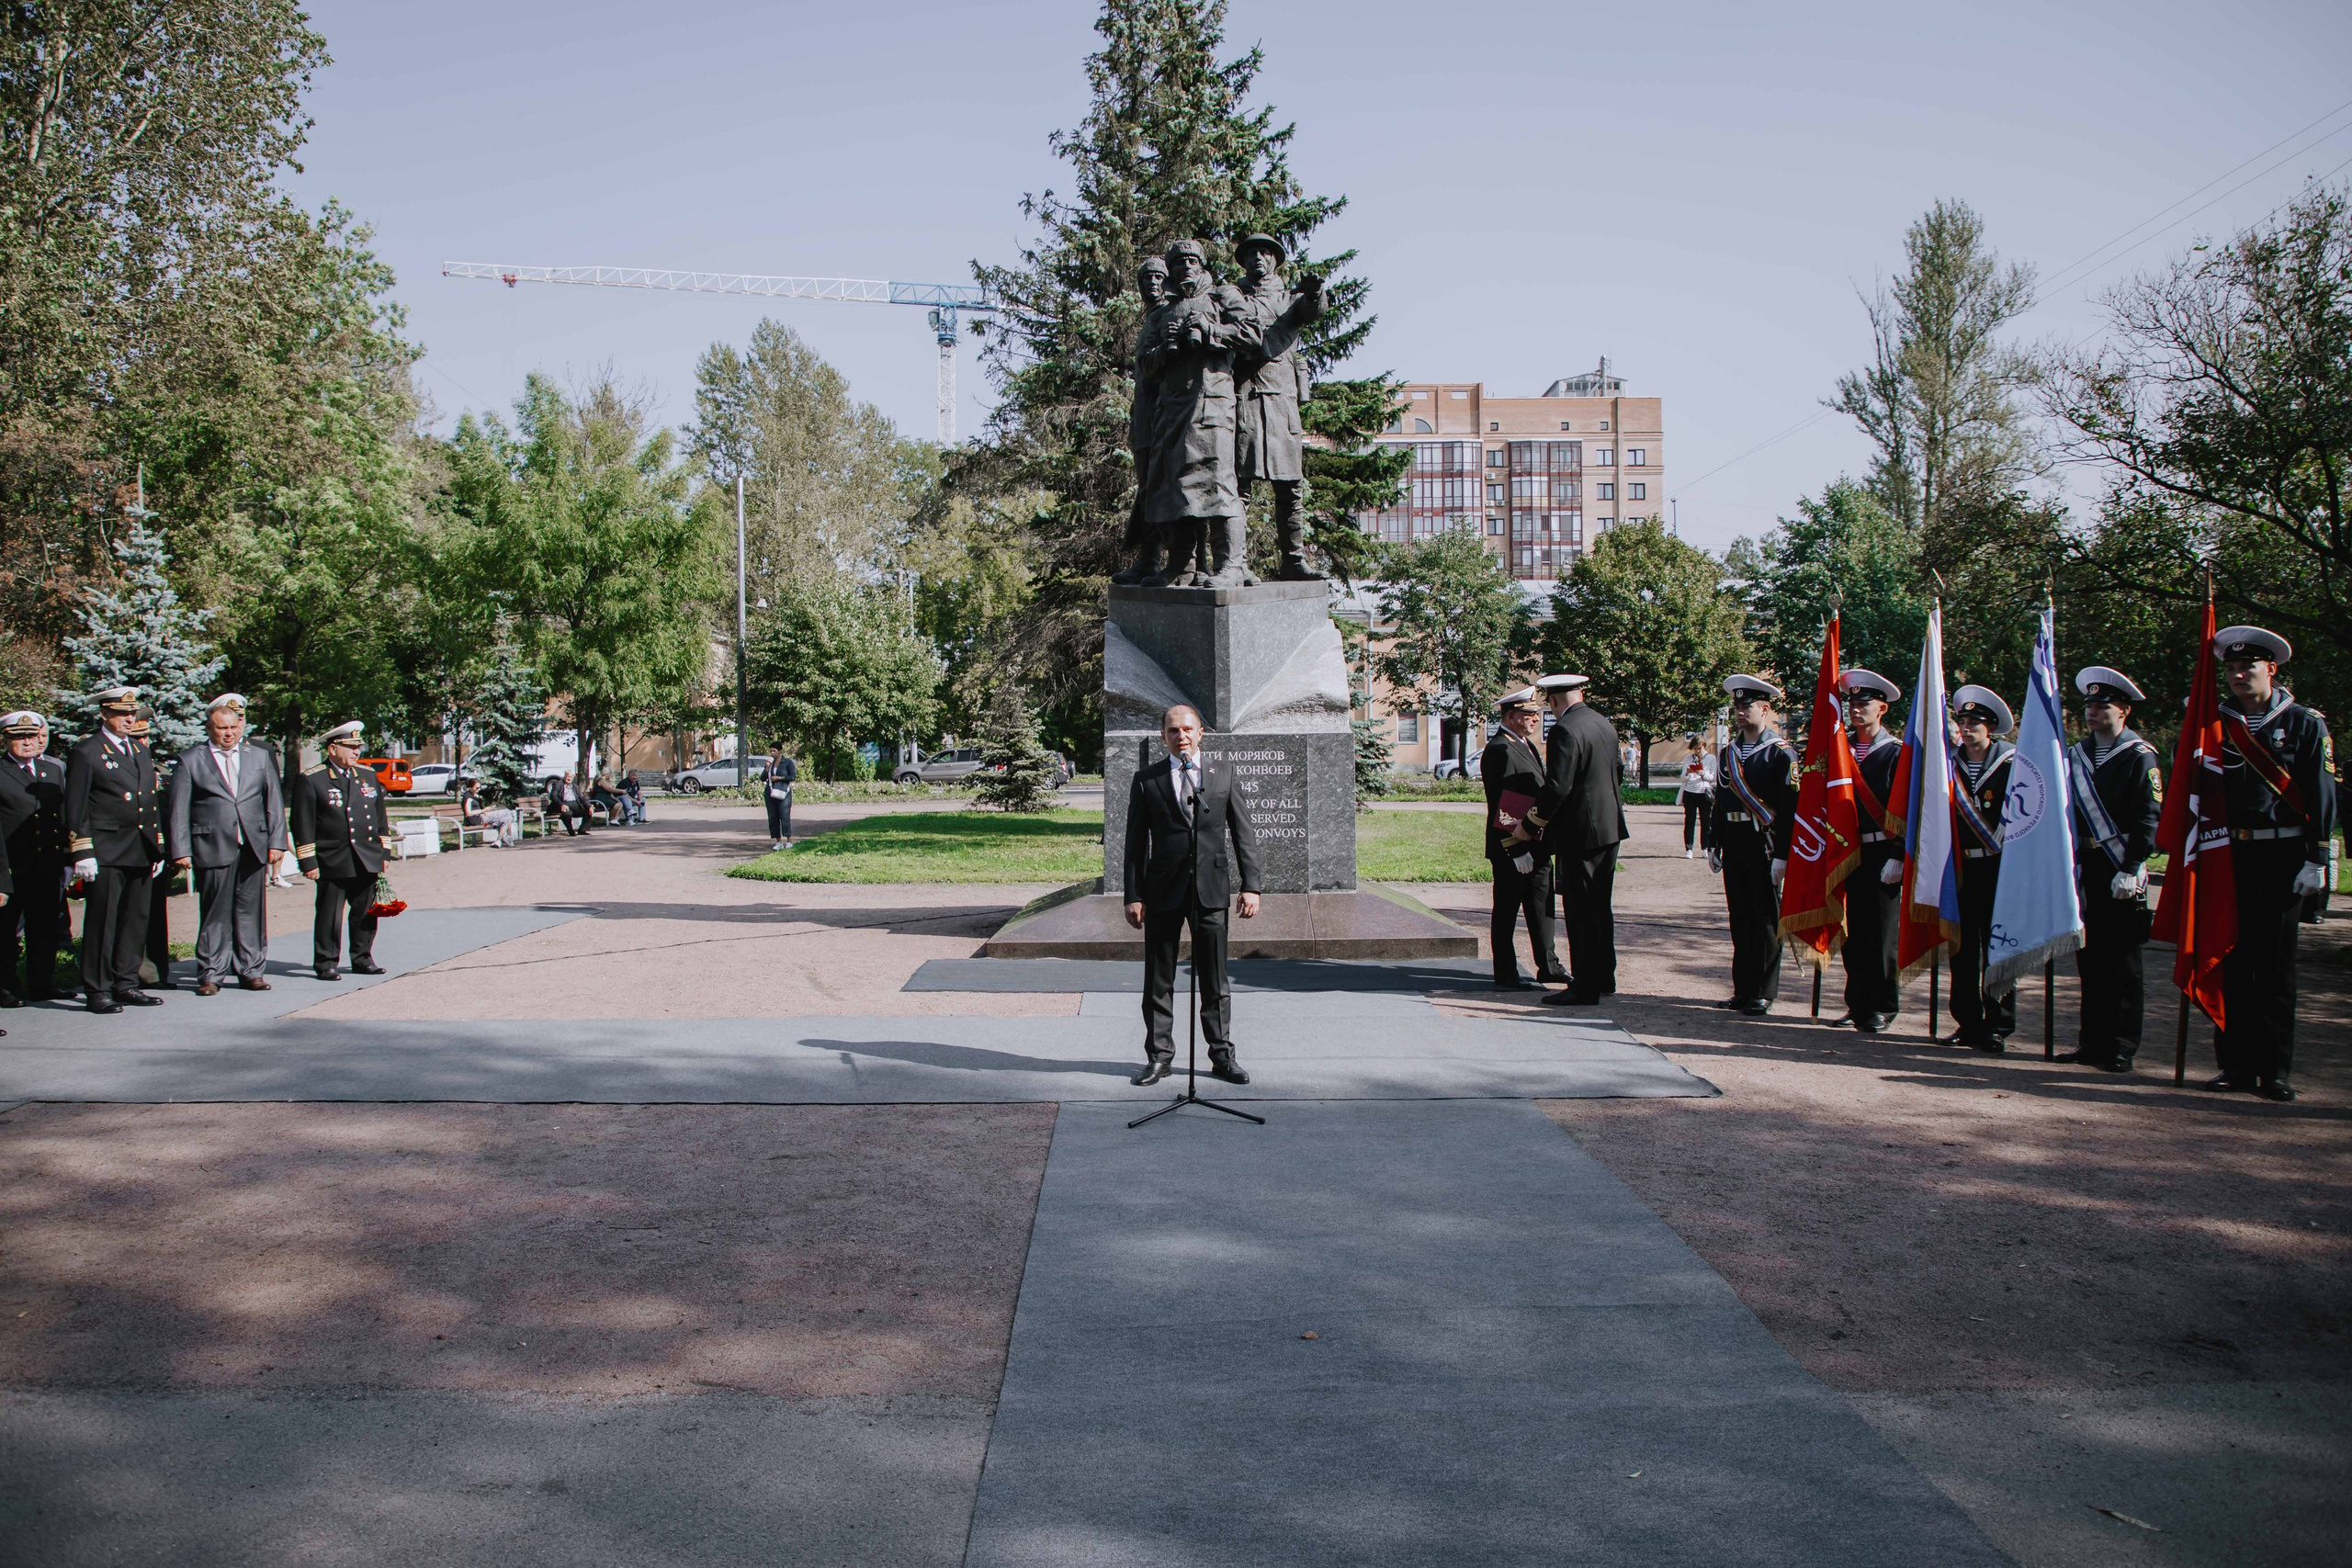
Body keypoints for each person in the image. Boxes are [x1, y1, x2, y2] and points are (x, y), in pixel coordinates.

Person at [2208, 626, 2335, 1101]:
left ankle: (2275, 1069)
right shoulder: (2215, 722)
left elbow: (2321, 793)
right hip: (2230, 854)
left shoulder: (2304, 723)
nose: (2240, 674)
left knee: (2276, 966)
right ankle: (2235, 1065)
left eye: (2249, 667)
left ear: (2271, 670)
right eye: (2233, 668)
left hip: (2283, 856)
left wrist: (2317, 857)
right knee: (2233, 960)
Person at [1122, 704, 1263, 1085]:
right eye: (1172, 731)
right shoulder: (1146, 780)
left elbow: (1243, 833)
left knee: (1215, 980)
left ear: (1201, 733)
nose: (1180, 736)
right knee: (1159, 980)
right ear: (1163, 736)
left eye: (1187, 729)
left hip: (1211, 892)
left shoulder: (1223, 774)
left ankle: (1222, 1056)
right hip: (1162, 892)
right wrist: (1132, 895)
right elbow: (1135, 843)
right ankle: (1159, 1057)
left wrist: (1251, 885)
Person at [2053, 668, 2165, 1072]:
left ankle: (2120, 1045)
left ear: (2124, 712)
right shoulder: (2076, 755)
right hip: (2086, 867)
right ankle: (2093, 1041)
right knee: (2091, 959)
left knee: (2123, 963)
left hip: (2121, 866)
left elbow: (2149, 816)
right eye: (2090, 705)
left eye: (2103, 705)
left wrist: (2133, 864)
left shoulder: (2140, 756)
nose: (2094, 712)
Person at [1509, 671, 1628, 1006]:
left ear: (1556, 700)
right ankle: (1604, 975)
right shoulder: (1603, 724)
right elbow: (1615, 773)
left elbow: (1557, 787)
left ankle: (1585, 986)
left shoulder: (1565, 729)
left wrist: (1529, 826)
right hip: (1609, 828)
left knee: (1580, 910)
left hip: (1580, 832)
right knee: (1600, 906)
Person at [165, 693, 288, 995]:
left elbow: (273, 801)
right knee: (215, 912)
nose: (229, 733)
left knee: (250, 911)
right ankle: (211, 973)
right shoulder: (191, 760)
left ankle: (251, 970)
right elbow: (178, 809)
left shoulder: (258, 756)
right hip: (212, 844)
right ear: (209, 729)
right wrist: (180, 849)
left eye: (233, 727)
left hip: (253, 844)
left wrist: (277, 842)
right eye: (221, 728)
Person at [1231, 232, 1326, 581]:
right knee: (1238, 487)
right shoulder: (1233, 296)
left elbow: (1310, 309)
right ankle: (1235, 563)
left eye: (1265, 252)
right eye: (1252, 252)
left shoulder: (1289, 299)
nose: (1258, 257)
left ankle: (1294, 560)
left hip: (1283, 405)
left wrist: (1315, 292)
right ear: (1243, 261)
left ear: (1274, 260)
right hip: (1245, 401)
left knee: (1290, 488)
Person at [63, 686, 165, 1012]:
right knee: (102, 922)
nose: (129, 719)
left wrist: (156, 846)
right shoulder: (87, 752)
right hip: (106, 849)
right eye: (122, 714)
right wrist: (82, 850)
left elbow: (150, 802)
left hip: (139, 847)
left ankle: (126, 982)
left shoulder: (139, 751)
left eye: (132, 713)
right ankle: (97, 989)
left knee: (135, 919)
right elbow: (76, 806)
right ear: (105, 715)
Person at [1710, 676, 1799, 1015]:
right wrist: (1714, 842)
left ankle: (1763, 990)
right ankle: (1743, 988)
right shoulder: (1729, 752)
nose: (1740, 712)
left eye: (1747, 707)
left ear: (1765, 709)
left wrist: (1784, 853)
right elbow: (1721, 802)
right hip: (1734, 843)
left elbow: (1790, 808)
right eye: (1737, 707)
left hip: (1764, 843)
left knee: (1764, 919)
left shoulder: (1780, 754)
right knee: (1740, 917)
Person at [292, 720, 395, 981]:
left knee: (365, 912)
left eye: (358, 746)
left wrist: (384, 853)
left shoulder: (368, 776)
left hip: (366, 856)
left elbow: (380, 818)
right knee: (329, 915)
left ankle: (362, 958)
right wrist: (308, 861)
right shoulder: (312, 779)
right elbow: (302, 823)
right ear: (333, 748)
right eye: (350, 747)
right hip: (332, 858)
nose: (356, 752)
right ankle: (326, 962)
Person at [1946, 685, 2018, 1053]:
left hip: (1998, 869)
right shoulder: (1947, 763)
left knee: (1998, 949)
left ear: (1991, 727)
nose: (1966, 726)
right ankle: (1967, 1022)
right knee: (1962, 950)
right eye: (1963, 719)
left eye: (1975, 721)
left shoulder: (2013, 764)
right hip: (1960, 869)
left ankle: (1998, 1024)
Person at [1483, 688, 1568, 989]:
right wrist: (1516, 849)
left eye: (1536, 713)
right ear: (1510, 716)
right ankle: (1505, 973)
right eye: (1528, 714)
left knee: (1542, 907)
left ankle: (1549, 966)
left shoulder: (1525, 745)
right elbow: (1502, 803)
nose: (1535, 718)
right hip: (1512, 848)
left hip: (1537, 842)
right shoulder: (1499, 749)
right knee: (1506, 910)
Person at [1837, 669, 1905, 1033]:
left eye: (1864, 704)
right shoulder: (1839, 749)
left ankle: (1882, 1005)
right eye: (1852, 703)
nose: (1856, 710)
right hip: (1847, 852)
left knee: (1882, 935)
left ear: (1882, 709)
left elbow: (1907, 807)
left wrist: (1898, 853)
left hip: (1882, 854)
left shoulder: (1896, 753)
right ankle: (1857, 1002)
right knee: (1853, 933)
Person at [1112, 254, 1173, 586]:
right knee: (1149, 491)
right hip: (1144, 421)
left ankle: (1180, 560)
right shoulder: (1151, 318)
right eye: (1145, 278)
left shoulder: (1167, 315)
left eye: (1157, 276)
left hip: (1163, 417)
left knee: (1159, 491)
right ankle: (1149, 560)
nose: (1151, 283)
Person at [2, 711, 69, 1005]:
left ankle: (42, 983)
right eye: (19, 737)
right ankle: (5, 988)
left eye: (31, 736)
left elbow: (61, 816)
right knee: (5, 933)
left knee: (44, 929)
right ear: (5, 740)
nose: (27, 742)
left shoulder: (51, 770)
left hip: (47, 865)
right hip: (11, 867)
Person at [1677, 736, 1715, 859]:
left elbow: (1713, 777)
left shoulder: (1711, 758)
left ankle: (1705, 848)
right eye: (1694, 748)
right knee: (1689, 821)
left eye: (1699, 748)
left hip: (1704, 792)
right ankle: (1689, 848)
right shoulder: (1689, 758)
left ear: (1704, 746)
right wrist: (1688, 773)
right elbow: (1682, 777)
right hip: (1690, 792)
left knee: (1705, 822)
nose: (1697, 751)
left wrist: (1703, 772)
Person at [764, 743, 798, 849]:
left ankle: (789, 840)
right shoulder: (770, 764)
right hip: (770, 793)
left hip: (783, 792)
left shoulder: (787, 762)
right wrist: (766, 769)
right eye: (770, 751)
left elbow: (792, 776)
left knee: (784, 816)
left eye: (774, 751)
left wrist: (780, 778)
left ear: (780, 751)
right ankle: (778, 841)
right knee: (773, 817)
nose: (772, 753)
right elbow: (762, 778)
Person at [545, 773, 588, 837]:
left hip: (574, 804)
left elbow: (581, 798)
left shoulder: (575, 786)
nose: (569, 779)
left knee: (587, 811)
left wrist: (589, 806)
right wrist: (562, 805)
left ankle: (582, 830)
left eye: (571, 777)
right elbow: (554, 797)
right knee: (567, 813)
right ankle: (571, 831)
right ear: (564, 777)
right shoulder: (557, 785)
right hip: (561, 804)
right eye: (568, 777)